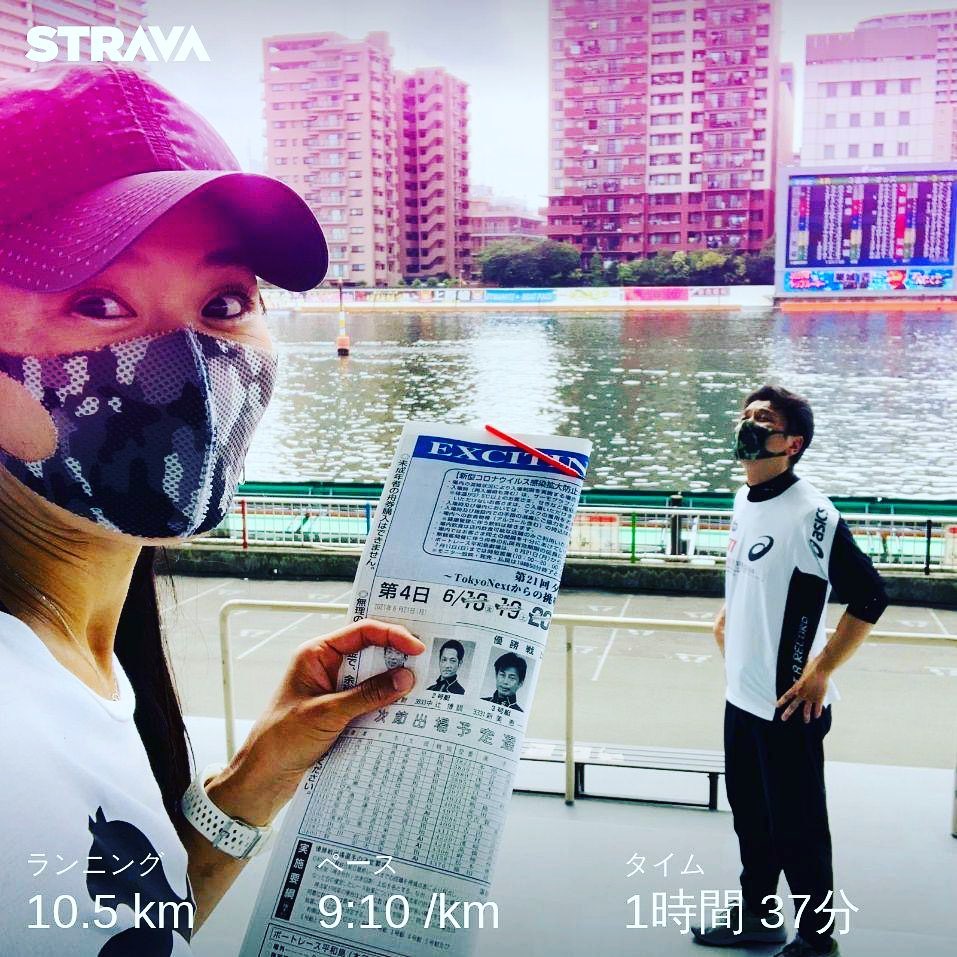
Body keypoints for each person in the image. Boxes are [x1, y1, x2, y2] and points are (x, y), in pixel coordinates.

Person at [0, 64, 425, 955]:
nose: (189, 366)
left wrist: (260, 771)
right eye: (98, 303)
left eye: (225, 303)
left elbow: (123, 929)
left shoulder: (76, 662)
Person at [690, 385, 887, 957]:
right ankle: (757, 916)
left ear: (792, 444)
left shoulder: (811, 513)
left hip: (788, 705)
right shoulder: (743, 498)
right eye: (747, 415)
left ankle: (818, 940)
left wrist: (822, 669)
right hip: (741, 696)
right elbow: (756, 578)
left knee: (798, 830)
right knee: (752, 821)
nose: (749, 425)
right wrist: (729, 619)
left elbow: (870, 596)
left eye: (765, 420)